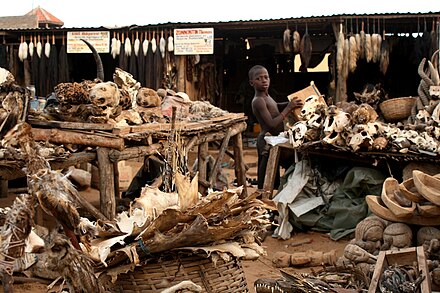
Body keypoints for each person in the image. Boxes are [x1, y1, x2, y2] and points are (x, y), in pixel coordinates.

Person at [249, 65, 303, 189]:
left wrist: (291, 104)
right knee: (266, 176)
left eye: (266, 77)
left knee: (273, 174)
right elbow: (271, 124)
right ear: (251, 82)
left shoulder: (267, 97)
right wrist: (289, 108)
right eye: (258, 78)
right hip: (266, 141)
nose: (264, 80)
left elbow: (276, 106)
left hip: (274, 140)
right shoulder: (258, 100)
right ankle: (263, 202)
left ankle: (272, 199)